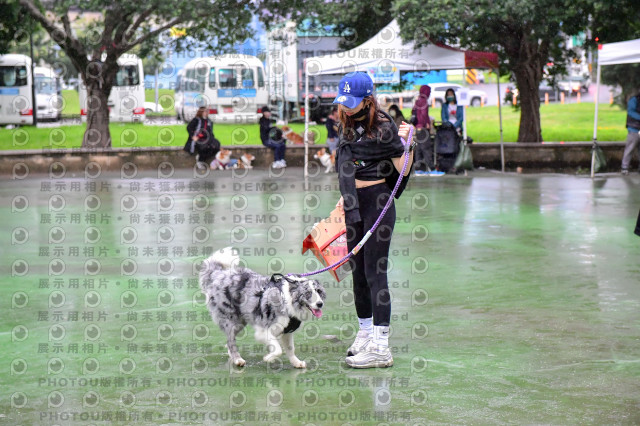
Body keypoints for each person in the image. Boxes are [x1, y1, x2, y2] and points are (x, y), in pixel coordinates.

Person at [332, 72, 415, 368]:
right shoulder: (348, 123)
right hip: (354, 206)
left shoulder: (384, 127)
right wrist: (346, 200)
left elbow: (401, 172)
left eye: (351, 103)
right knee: (357, 275)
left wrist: (408, 146)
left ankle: (382, 347)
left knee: (374, 273)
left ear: (368, 100)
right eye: (343, 102)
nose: (346, 107)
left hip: (378, 203)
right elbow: (346, 166)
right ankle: (366, 333)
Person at [410, 85, 438, 175]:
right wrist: (427, 124)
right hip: (423, 128)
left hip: (417, 128)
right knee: (426, 148)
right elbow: (424, 114)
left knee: (418, 149)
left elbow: (413, 112)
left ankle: (419, 169)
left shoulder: (417, 100)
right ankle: (432, 169)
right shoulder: (424, 101)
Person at [621, 92, 640, 175]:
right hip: (634, 129)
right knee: (630, 148)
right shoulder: (634, 100)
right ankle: (624, 167)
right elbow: (631, 112)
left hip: (635, 128)